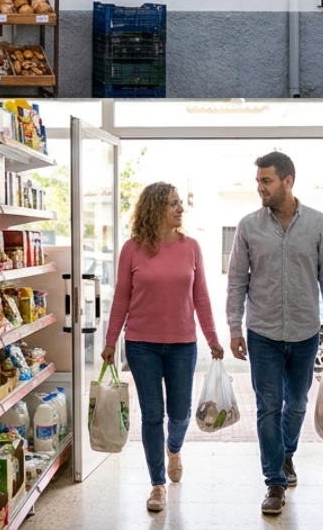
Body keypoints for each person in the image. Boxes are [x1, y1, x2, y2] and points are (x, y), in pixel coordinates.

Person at [226, 151, 323, 516]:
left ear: (287, 181)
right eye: (259, 180)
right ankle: (274, 482)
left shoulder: (318, 223)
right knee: (267, 408)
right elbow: (236, 281)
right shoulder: (248, 226)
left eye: (267, 180)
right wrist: (234, 327)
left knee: (296, 404)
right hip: (262, 333)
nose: (259, 187)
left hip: (306, 332)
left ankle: (287, 455)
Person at [101, 182, 222, 514]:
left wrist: (212, 338)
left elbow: (201, 298)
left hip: (183, 344)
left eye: (180, 202)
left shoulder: (191, 247)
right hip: (141, 345)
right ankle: (157, 484)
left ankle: (174, 449)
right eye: (173, 203)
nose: (180, 208)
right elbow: (121, 298)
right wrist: (111, 341)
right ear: (155, 209)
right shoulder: (132, 249)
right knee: (152, 415)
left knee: (181, 413)